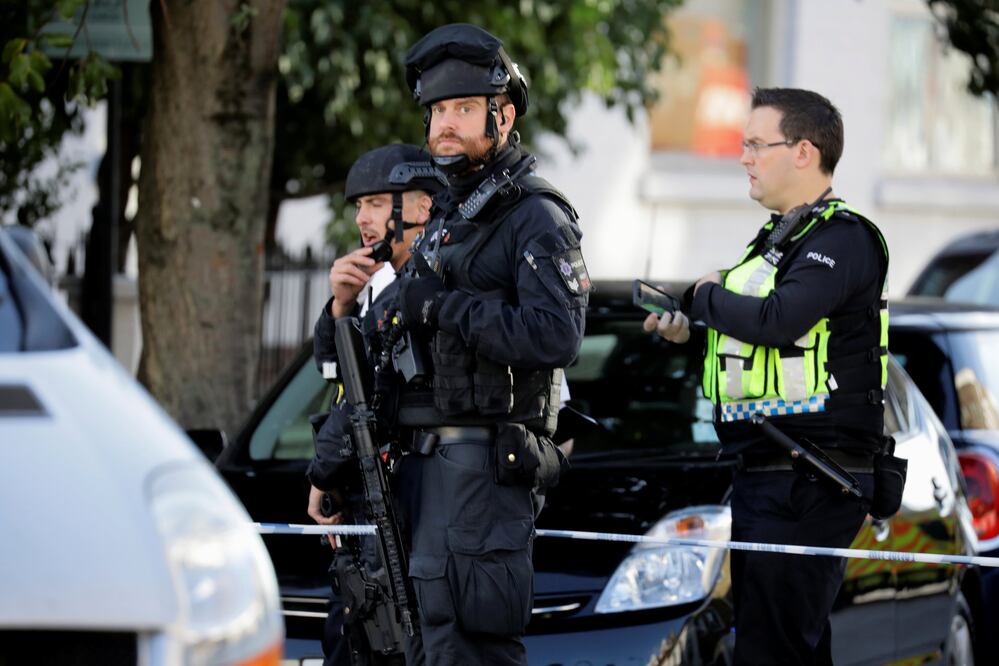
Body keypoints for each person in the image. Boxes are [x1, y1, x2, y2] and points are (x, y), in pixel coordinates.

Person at [644, 87, 889, 664]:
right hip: (770, 473)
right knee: (783, 646)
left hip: (813, 477)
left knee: (773, 651)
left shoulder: (844, 238)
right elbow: (754, 332)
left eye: (757, 144)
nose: (744, 158)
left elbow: (779, 321)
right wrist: (690, 322)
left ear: (803, 152)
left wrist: (705, 297)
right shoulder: (782, 238)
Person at [377, 23, 589, 665]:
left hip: (481, 471)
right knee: (425, 644)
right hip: (423, 468)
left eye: (463, 109)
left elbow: (557, 334)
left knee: (466, 649)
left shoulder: (536, 215)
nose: (444, 123)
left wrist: (445, 305)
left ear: (503, 116)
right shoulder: (449, 214)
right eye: (438, 110)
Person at [304, 142, 444, 666]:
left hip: (404, 507)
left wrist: (322, 474)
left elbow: (373, 399)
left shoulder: (423, 285)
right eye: (358, 206)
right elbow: (333, 374)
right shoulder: (376, 282)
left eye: (376, 204)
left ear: (420, 208)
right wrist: (339, 307)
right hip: (366, 502)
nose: (362, 218)